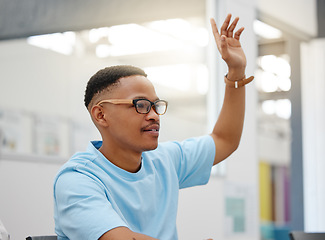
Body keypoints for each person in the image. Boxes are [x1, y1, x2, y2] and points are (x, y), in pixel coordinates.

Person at [53, 13, 254, 240]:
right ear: (101, 115)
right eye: (141, 105)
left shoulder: (163, 160)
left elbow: (225, 139)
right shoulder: (77, 180)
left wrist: (236, 73)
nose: (154, 116)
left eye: (155, 105)